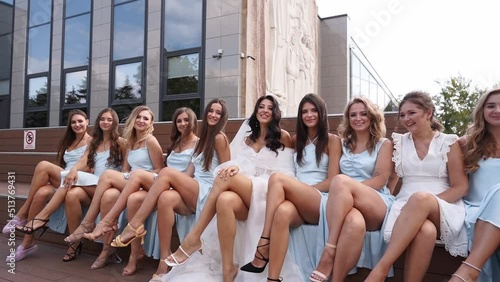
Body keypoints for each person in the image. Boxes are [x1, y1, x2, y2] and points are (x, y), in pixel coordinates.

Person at [164, 95, 296, 282]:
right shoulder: (248, 137)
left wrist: (242, 171)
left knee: (224, 177)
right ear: (256, 110)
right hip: (247, 193)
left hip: (269, 192)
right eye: (261, 106)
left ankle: (194, 237)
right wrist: (237, 167)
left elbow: (286, 172)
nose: (265, 110)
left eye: (270, 108)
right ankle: (228, 269)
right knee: (224, 200)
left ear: (276, 113)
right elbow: (237, 161)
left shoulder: (283, 137)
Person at [110, 99, 230, 280]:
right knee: (166, 198)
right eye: (210, 111)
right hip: (194, 187)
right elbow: (191, 172)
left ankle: (135, 224)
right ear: (205, 114)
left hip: (208, 190)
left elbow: (227, 169)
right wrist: (178, 184)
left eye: (218, 113)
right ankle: (164, 261)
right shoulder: (203, 140)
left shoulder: (219, 138)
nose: (213, 115)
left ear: (223, 117)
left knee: (166, 172)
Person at [365, 91, 469, 282]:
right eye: (402, 115)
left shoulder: (448, 142)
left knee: (420, 199)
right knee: (425, 231)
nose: (406, 119)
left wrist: (427, 204)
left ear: (428, 113)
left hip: (443, 206)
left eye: (411, 113)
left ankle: (380, 269)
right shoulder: (398, 143)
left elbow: (461, 186)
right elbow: (391, 178)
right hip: (405, 206)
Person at [239, 94, 341, 281]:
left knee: (278, 179)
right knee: (282, 212)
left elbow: (333, 181)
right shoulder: (296, 140)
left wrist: (299, 191)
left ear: (321, 113)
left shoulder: (332, 140)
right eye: (304, 111)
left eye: (313, 110)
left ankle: (264, 243)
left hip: (320, 199)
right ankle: (273, 278)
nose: (309, 115)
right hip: (297, 199)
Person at [14, 108, 125, 262]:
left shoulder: (121, 142)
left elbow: (126, 169)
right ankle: (74, 243)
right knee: (72, 194)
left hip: (108, 186)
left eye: (109, 120)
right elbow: (83, 161)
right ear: (98, 122)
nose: (105, 122)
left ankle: (41, 218)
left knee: (68, 179)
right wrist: (73, 170)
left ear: (115, 123)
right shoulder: (95, 143)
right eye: (102, 119)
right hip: (92, 186)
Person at [64, 105, 164, 275]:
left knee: (108, 175)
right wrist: (128, 176)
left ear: (151, 123)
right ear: (133, 119)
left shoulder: (151, 140)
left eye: (145, 118)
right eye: (138, 117)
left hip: (148, 183)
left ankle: (90, 223)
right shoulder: (130, 142)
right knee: (109, 194)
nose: (141, 121)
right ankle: (106, 250)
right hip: (132, 183)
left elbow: (159, 170)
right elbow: (125, 170)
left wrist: (136, 175)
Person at [304, 97, 394, 282]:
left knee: (340, 182)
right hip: (345, 203)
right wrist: (344, 194)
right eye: (353, 115)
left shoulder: (383, 144)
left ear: (372, 117)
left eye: (363, 113)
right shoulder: (342, 144)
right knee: (353, 222)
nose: (358, 118)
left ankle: (329, 250)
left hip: (375, 200)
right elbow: (333, 176)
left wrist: (348, 191)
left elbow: (380, 179)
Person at [115, 107, 199, 281]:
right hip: (167, 187)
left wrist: (171, 183)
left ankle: (134, 227)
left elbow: (189, 173)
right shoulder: (176, 144)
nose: (182, 124)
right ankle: (144, 254)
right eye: (179, 121)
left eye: (186, 120)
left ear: (193, 122)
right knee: (134, 198)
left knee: (162, 183)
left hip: (185, 188)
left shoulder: (199, 143)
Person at [3, 110, 91, 262]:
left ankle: (22, 214)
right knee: (41, 193)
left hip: (80, 181)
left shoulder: (92, 141)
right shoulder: (68, 142)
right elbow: (64, 165)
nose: (77, 124)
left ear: (87, 122)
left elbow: (90, 167)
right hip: (64, 179)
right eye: (73, 122)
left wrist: (69, 173)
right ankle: (28, 242)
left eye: (80, 121)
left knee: (43, 165)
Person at [450, 88, 500, 282]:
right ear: (482, 110)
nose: (497, 110)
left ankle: (467, 273)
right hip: (476, 212)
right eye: (491, 106)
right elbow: (456, 184)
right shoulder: (465, 144)